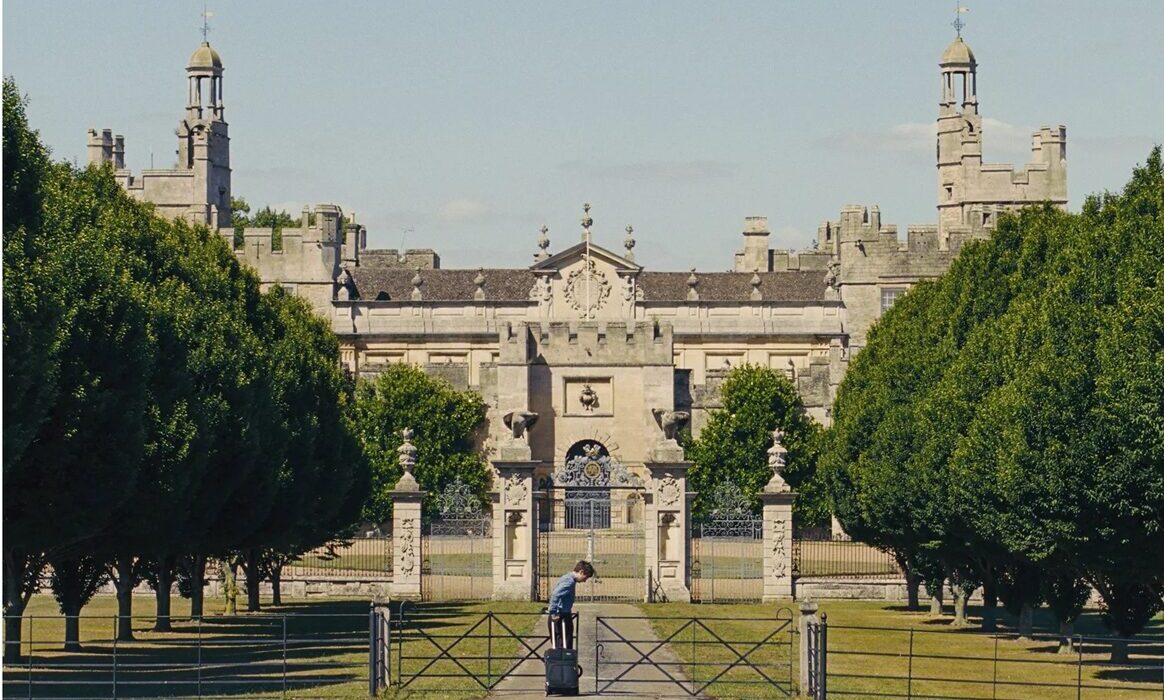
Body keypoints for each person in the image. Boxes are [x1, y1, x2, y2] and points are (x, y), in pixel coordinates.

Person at [547, 560, 595, 650]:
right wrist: (553, 612)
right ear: (581, 572)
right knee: (563, 647)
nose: (585, 581)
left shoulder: (567, 577)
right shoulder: (569, 582)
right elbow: (555, 595)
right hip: (561, 616)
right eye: (585, 577)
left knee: (562, 646)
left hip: (562, 614)